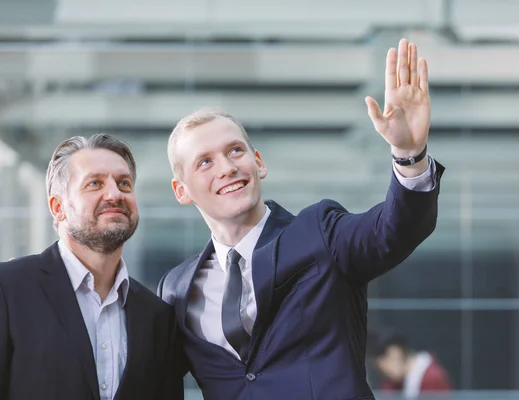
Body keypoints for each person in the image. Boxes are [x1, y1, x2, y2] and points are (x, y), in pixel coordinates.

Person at [158, 38, 443, 399]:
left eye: (235, 151)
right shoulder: (176, 289)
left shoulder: (320, 232)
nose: (228, 168)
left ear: (258, 162)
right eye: (205, 162)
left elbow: (394, 229)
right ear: (181, 190)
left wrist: (409, 154)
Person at [0, 134, 183, 400]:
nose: (115, 194)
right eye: (94, 183)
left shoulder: (157, 316)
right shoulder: (8, 289)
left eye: (124, 183)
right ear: (58, 207)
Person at [375, 334, 452, 398]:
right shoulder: (394, 384)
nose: (386, 371)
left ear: (396, 353)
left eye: (387, 363)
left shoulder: (432, 378)